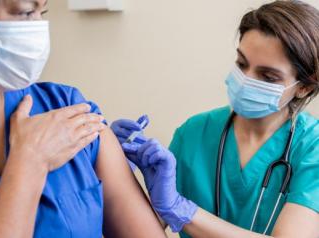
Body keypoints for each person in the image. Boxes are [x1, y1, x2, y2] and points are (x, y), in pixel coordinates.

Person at [111, 1, 319, 237]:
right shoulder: (194, 133)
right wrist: (114, 169)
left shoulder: (312, 147)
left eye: (268, 77)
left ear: (304, 87)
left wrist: (181, 210)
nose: (245, 79)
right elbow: (142, 229)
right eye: (242, 64)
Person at [0, 0, 167, 237]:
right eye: (26, 12)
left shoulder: (64, 105)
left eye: (43, 11)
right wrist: (29, 163)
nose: (38, 29)